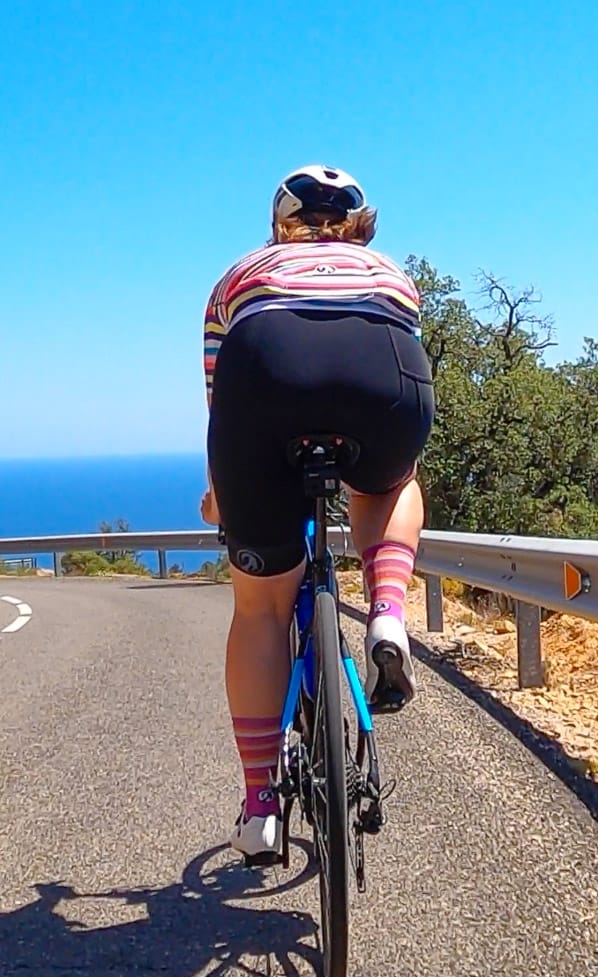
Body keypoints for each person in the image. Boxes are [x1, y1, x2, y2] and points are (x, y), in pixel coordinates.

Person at [199, 165, 434, 864]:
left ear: (280, 224)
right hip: (383, 373)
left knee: (262, 610)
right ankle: (387, 611)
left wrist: (226, 491)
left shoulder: (241, 273)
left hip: (264, 372)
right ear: (362, 226)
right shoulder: (391, 272)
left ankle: (260, 806)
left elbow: (221, 402)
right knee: (392, 481)